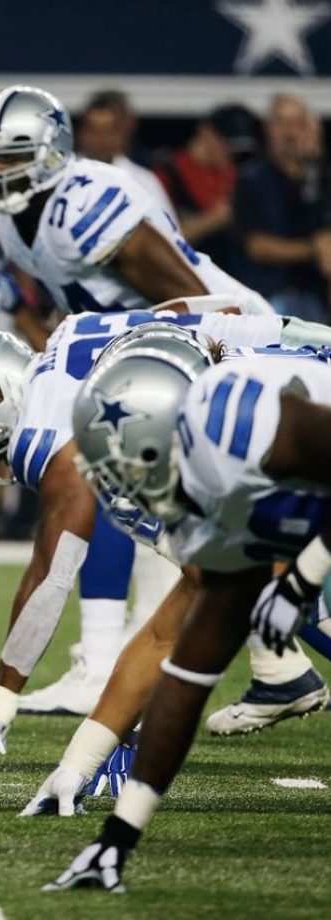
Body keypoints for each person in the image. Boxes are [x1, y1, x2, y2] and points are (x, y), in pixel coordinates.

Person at [0, 303, 331, 755]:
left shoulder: (39, 423)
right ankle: (281, 669)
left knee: (278, 563)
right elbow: (184, 309)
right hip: (288, 347)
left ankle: (283, 665)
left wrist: (1, 698)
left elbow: (53, 570)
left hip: (287, 382)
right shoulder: (71, 331)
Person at [47, 327, 331, 893]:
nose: (116, 485)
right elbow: (185, 675)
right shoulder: (203, 485)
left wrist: (302, 580)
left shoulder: (237, 420)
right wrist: (117, 838)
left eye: (123, 463)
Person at [234, 94, 331, 322]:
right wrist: (314, 249)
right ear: (268, 128)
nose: (289, 132)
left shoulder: (320, 176)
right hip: (268, 296)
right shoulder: (252, 178)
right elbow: (256, 246)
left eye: (297, 123)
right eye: (281, 123)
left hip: (316, 297)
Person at [156, 104, 258, 268]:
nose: (231, 154)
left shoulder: (240, 172)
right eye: (227, 145)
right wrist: (213, 220)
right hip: (186, 273)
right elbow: (160, 241)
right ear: (206, 133)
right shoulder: (169, 174)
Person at [75, 94, 175, 219]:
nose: (100, 140)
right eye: (93, 131)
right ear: (80, 133)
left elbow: (168, 234)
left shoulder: (144, 181)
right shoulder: (61, 176)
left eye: (107, 132)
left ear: (120, 135)